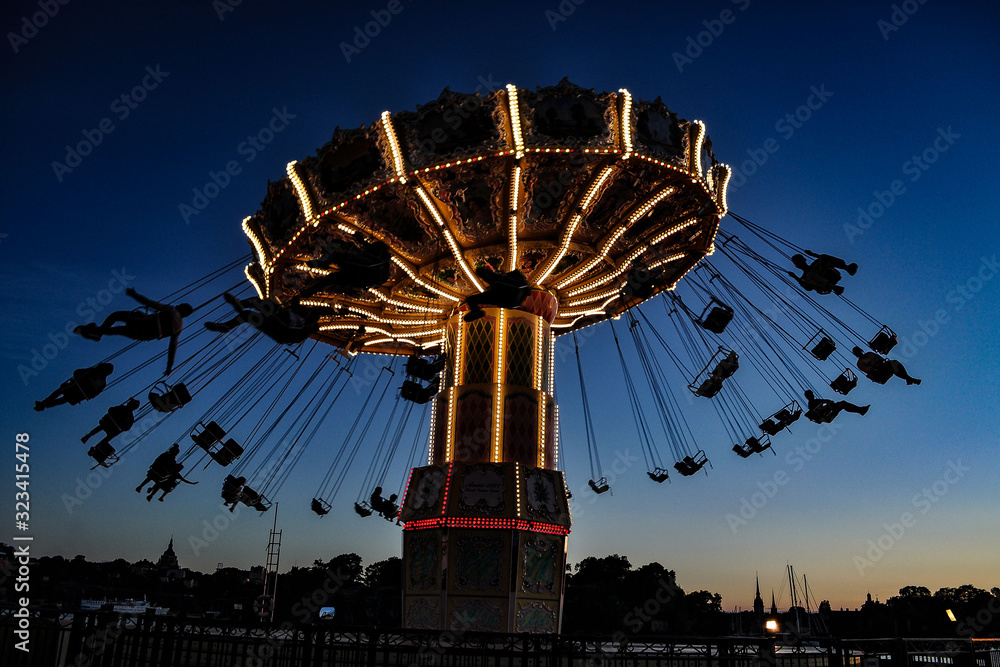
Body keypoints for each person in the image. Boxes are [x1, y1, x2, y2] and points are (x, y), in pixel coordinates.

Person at [74, 287, 192, 375]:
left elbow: (150, 303)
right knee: (119, 330)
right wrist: (169, 366)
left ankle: (96, 332)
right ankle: (97, 332)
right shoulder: (179, 328)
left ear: (181, 308)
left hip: (141, 322)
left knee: (116, 316)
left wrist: (134, 294)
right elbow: (172, 347)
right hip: (144, 334)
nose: (178, 304)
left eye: (180, 305)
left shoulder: (172, 310)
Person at [205, 293, 321, 345]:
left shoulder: (303, 320)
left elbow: (295, 305)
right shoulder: (303, 323)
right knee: (247, 315)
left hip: (279, 325)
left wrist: (299, 296)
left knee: (260, 304)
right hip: (277, 329)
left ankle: (241, 304)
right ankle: (227, 326)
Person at [297, 238, 391, 299]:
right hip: (356, 278)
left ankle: (324, 260)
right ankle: (309, 292)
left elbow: (369, 248)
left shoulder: (380, 257)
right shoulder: (383, 266)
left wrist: (360, 238)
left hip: (355, 267)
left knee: (338, 244)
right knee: (331, 279)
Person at [35, 362, 114, 411]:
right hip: (77, 393)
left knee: (60, 392)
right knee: (63, 398)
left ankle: (44, 403)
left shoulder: (92, 373)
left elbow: (77, 373)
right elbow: (93, 395)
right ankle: (44, 404)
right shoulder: (101, 383)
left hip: (75, 390)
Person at [464, 266, 531, 322]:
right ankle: (476, 311)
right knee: (472, 299)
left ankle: (476, 311)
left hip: (502, 295)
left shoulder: (501, 280)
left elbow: (493, 279)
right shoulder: (506, 280)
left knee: (471, 299)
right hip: (507, 299)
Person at [788, 251, 857, 296]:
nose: (799, 263)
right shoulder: (804, 277)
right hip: (822, 285)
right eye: (797, 262)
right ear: (796, 266)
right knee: (809, 275)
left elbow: (823, 258)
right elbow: (808, 288)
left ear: (804, 260)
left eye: (799, 261)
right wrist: (795, 277)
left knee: (823, 257)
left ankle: (847, 268)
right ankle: (834, 287)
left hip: (829, 274)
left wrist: (814, 255)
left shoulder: (815, 264)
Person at [852, 346, 921, 385]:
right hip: (878, 372)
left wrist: (878, 362)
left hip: (883, 365)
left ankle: (909, 379)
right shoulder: (860, 364)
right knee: (892, 367)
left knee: (895, 364)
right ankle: (909, 379)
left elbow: (880, 358)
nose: (859, 353)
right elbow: (868, 370)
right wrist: (875, 363)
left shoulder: (869, 354)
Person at [803, 389, 869, 423]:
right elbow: (819, 409)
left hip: (829, 410)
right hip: (827, 414)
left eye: (812, 394)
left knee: (842, 403)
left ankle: (860, 410)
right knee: (842, 404)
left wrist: (828, 401)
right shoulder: (811, 404)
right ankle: (860, 410)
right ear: (808, 397)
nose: (813, 395)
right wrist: (827, 406)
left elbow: (824, 401)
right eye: (811, 395)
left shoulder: (816, 400)